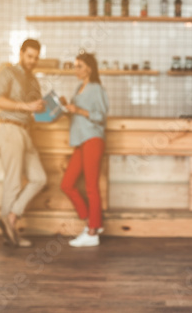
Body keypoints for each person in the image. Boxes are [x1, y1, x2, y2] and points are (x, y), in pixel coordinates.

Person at [0, 39, 47, 248]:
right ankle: (10, 232)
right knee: (13, 181)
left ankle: (11, 217)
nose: (32, 61)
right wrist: (26, 105)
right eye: (29, 56)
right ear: (21, 53)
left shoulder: (34, 81)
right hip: (9, 128)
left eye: (36, 57)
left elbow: (34, 110)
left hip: (26, 131)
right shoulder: (7, 72)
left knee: (39, 178)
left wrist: (46, 108)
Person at [60, 52, 108, 247]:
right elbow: (77, 116)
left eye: (79, 66)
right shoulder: (79, 88)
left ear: (89, 67)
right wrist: (65, 107)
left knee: (91, 187)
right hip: (81, 141)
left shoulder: (96, 89)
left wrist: (77, 110)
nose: (76, 70)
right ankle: (93, 222)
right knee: (67, 184)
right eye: (75, 66)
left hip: (93, 140)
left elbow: (101, 116)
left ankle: (92, 232)